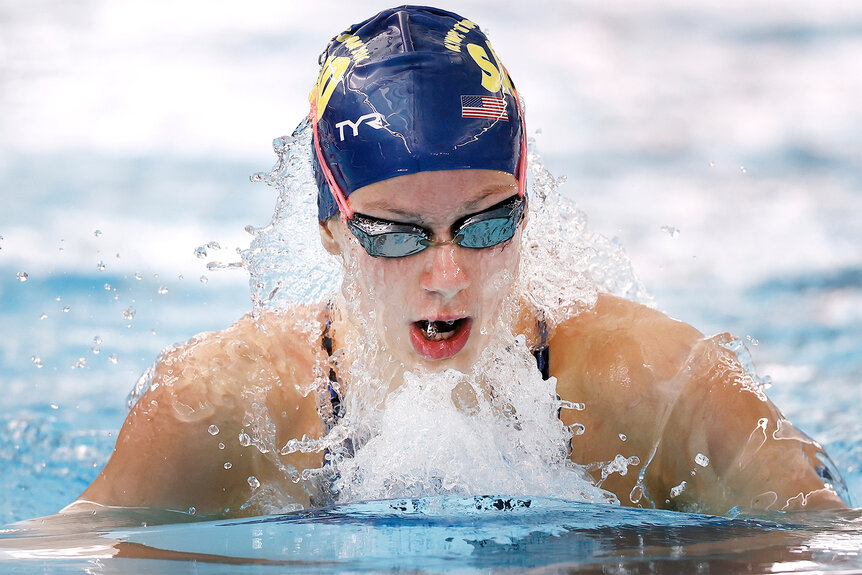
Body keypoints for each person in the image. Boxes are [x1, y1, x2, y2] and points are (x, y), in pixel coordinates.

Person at [65, 6, 848, 518]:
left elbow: (825, 541)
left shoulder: (659, 388)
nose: (448, 275)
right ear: (332, 229)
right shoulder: (222, 410)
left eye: (483, 225)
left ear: (526, 206)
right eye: (398, 235)